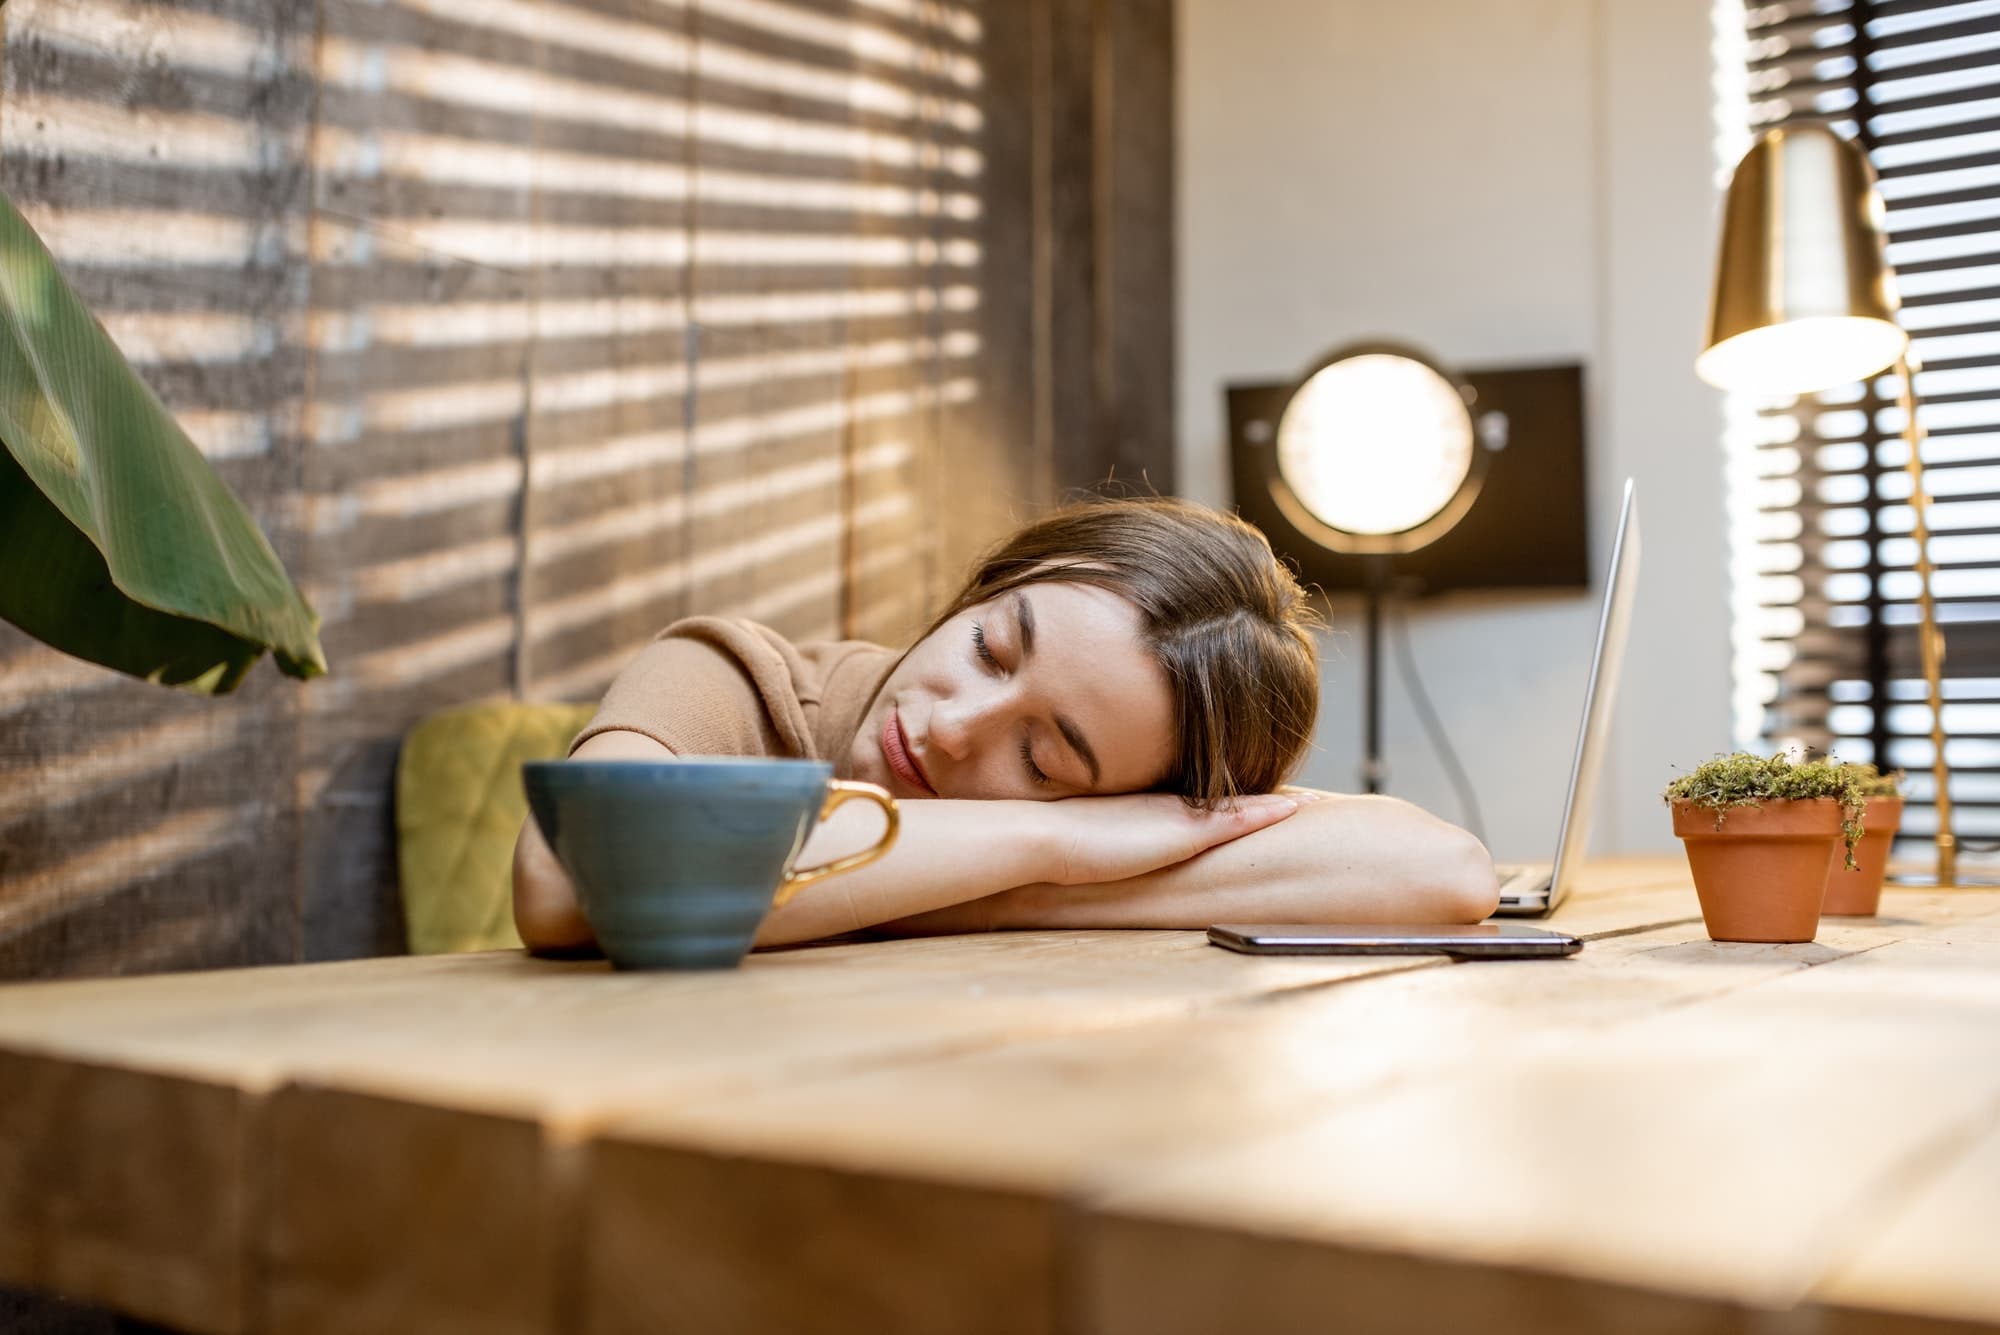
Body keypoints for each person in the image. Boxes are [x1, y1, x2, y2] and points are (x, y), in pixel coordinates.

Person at [512, 496, 1498, 951]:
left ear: (1142, 795)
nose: (952, 728)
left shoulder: (1129, 807)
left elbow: (1440, 873)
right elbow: (565, 882)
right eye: (990, 647)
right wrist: (1048, 837)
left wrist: (988, 881)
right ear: (986, 587)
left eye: (1040, 757)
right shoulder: (740, 681)